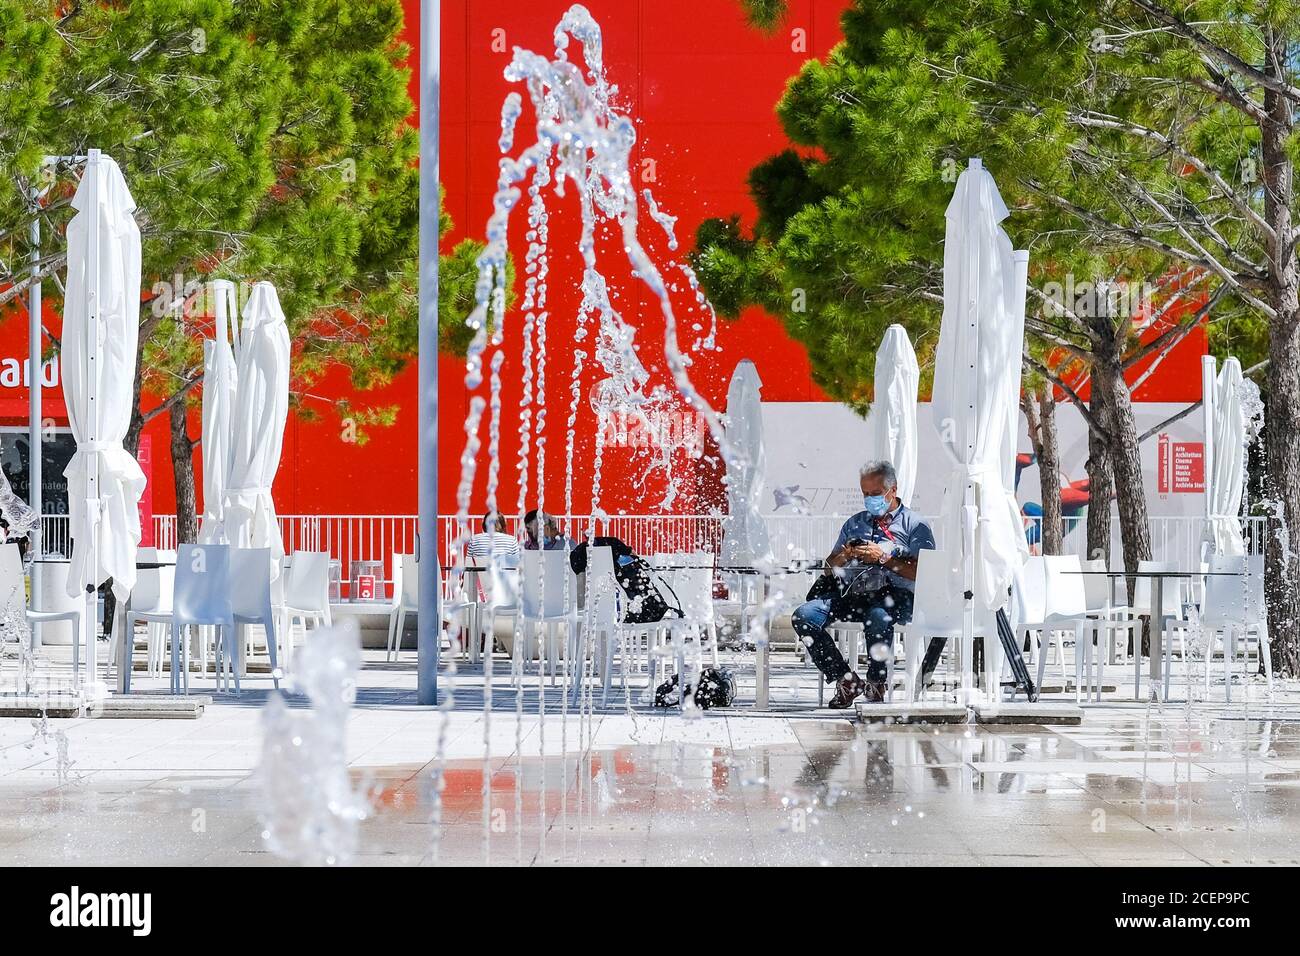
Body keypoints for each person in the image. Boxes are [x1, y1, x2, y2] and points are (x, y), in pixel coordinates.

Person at [792, 460, 939, 709]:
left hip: (898, 595)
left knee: (878, 615)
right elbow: (830, 567)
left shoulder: (915, 525)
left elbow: (924, 572)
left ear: (892, 490)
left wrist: (883, 558)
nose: (870, 499)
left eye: (875, 494)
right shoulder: (854, 523)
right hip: (854, 592)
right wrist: (847, 554)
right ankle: (846, 680)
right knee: (804, 616)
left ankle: (876, 682)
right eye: (865, 494)